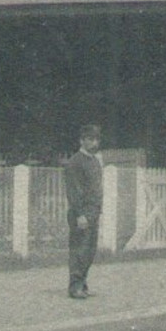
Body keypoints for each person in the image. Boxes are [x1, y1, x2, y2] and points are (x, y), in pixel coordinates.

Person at [62, 124, 103, 299]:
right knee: (79, 250)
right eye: (90, 139)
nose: (94, 143)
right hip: (81, 214)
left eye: (96, 139)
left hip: (93, 213)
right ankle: (74, 287)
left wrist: (96, 211)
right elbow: (74, 191)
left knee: (89, 251)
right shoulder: (75, 162)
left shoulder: (94, 161)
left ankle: (83, 284)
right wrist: (80, 214)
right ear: (82, 141)